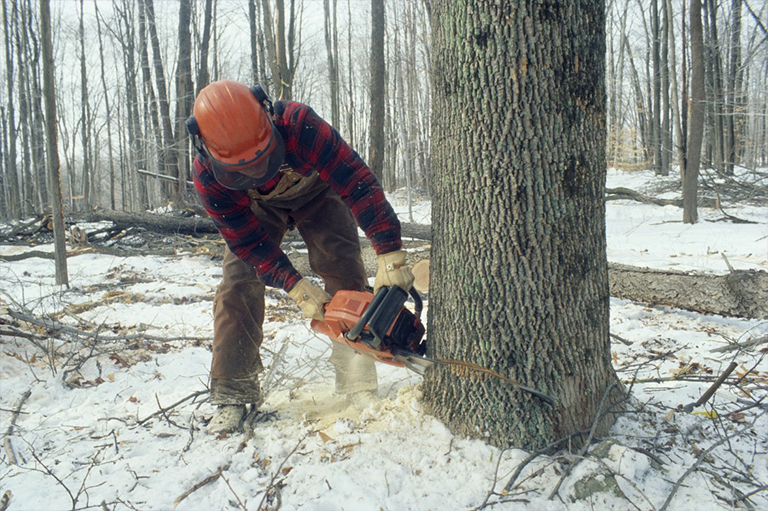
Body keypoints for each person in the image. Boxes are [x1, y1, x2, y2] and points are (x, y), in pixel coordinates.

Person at [186, 80, 414, 434]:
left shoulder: (300, 125)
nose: (254, 173)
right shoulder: (207, 177)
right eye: (240, 170)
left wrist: (389, 250)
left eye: (261, 160)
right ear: (206, 150)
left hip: (317, 191)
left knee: (342, 266)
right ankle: (232, 391)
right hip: (255, 209)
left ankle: (357, 381)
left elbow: (356, 181)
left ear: (268, 115)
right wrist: (293, 285)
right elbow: (246, 241)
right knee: (237, 283)